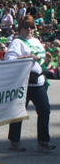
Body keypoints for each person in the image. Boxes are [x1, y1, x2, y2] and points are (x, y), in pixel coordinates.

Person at [5, 15, 56, 152]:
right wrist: (27, 57)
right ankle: (14, 141)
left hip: (38, 82)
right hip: (23, 82)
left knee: (44, 110)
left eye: (32, 27)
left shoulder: (36, 41)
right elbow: (9, 59)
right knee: (19, 112)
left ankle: (43, 141)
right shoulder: (17, 42)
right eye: (26, 27)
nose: (29, 29)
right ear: (20, 28)